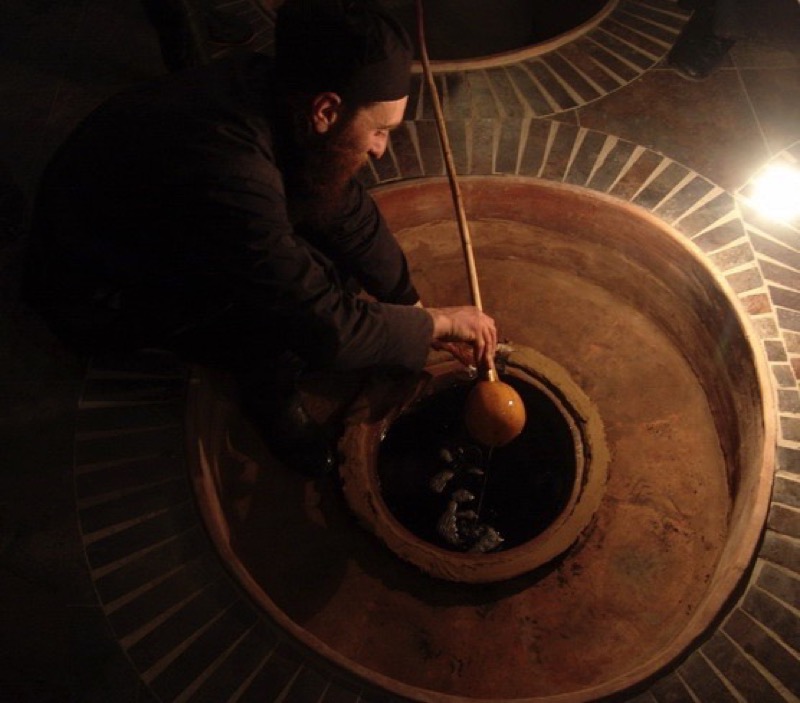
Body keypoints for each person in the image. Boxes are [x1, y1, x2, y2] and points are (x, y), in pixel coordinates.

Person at [21, 0, 498, 476]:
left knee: (331, 257)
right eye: (379, 131)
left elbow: (343, 207)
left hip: (168, 224)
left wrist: (408, 301)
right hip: (97, 291)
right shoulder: (229, 169)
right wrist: (435, 326)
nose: (380, 148)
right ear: (327, 109)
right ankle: (269, 398)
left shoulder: (275, 90)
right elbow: (322, 322)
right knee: (279, 318)